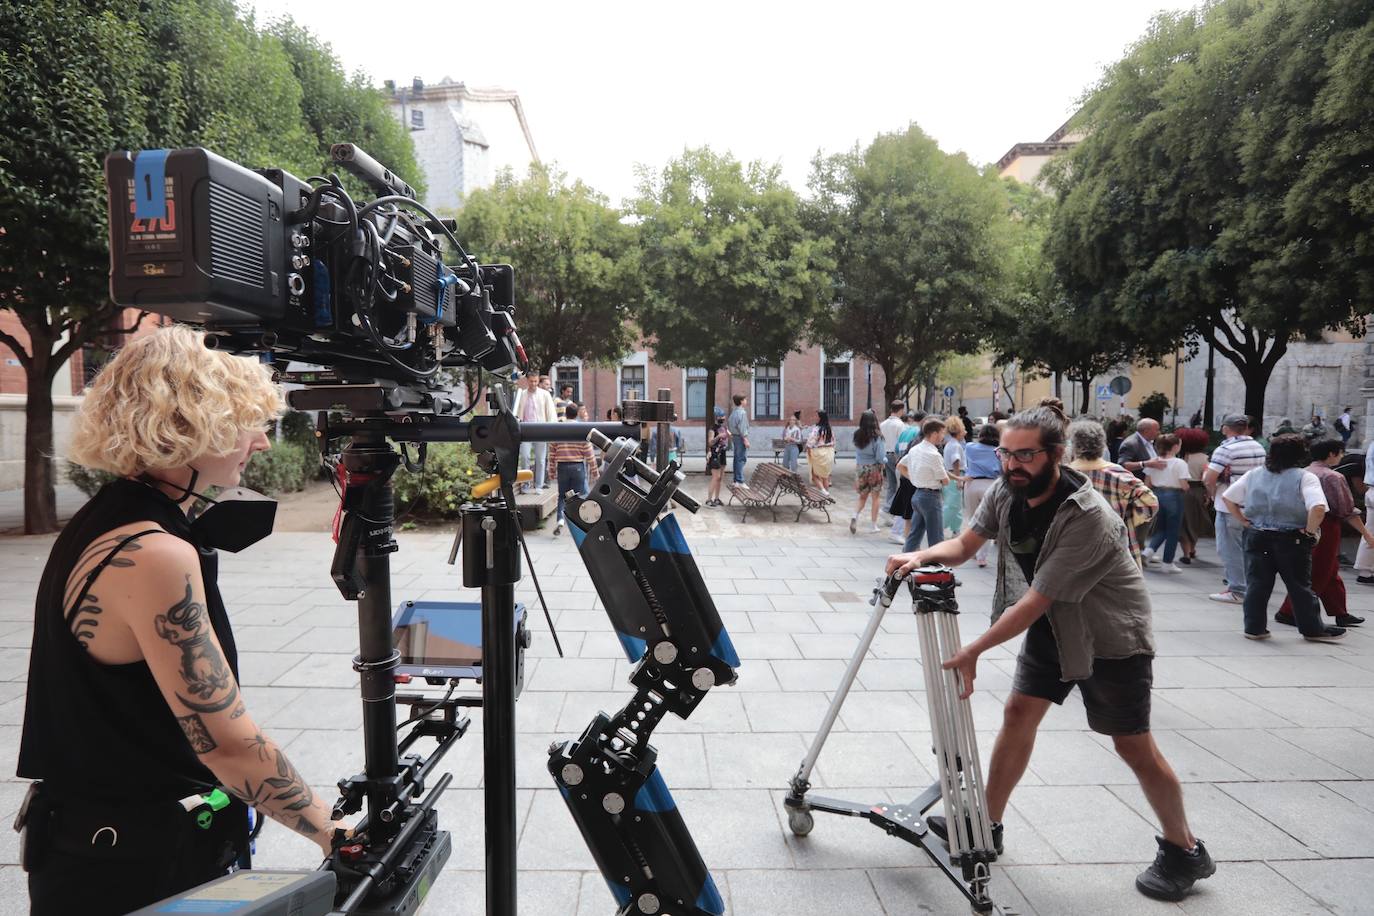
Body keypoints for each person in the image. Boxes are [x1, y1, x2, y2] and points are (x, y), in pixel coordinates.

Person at [18, 327, 350, 914]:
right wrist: (335, 833)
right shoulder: (154, 553)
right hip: (130, 871)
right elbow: (227, 742)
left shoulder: (112, 520)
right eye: (248, 422)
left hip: (98, 848)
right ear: (191, 427)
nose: (263, 443)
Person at [887, 405, 1215, 903]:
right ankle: (986, 827)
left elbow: (1036, 597)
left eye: (1025, 455)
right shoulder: (1005, 490)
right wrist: (920, 555)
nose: (1012, 464)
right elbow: (965, 543)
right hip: (1054, 625)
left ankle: (1185, 850)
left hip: (1111, 638)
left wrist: (974, 650)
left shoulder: (1087, 516)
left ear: (1056, 455)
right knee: (1018, 713)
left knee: (1133, 746)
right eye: (1005, 453)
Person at [1220, 434, 1345, 642]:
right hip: (1291, 538)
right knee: (1299, 586)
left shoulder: (1254, 474)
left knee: (1257, 584)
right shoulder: (1304, 477)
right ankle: (1312, 628)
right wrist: (1310, 530)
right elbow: (1318, 507)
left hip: (1257, 535)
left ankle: (1254, 628)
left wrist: (1243, 521)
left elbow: (1228, 498)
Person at [1272, 437, 1369, 628]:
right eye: (1340, 453)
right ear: (1332, 454)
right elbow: (1346, 510)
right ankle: (1288, 611)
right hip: (1326, 525)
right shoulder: (1333, 476)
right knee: (1319, 570)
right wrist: (1366, 533)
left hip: (1301, 522)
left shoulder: (1302, 472)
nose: (1341, 457)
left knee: (1329, 569)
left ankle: (1340, 612)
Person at [1067, 419, 1159, 569]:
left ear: (1075, 446)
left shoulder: (1063, 475)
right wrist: (1127, 519)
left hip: (1074, 551)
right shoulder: (1119, 474)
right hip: (1116, 550)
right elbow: (1151, 503)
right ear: (1102, 445)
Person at [1203, 415, 1268, 604]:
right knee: (1248, 548)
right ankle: (1249, 585)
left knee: (1229, 548)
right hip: (1253, 504)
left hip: (1229, 505)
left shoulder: (1226, 449)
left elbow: (1209, 478)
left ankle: (1237, 589)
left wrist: (1212, 494)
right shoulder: (1258, 447)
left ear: (1225, 428)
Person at [547, 403, 600, 535]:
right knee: (579, 496)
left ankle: (560, 520)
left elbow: (552, 451)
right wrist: (595, 472)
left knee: (562, 496)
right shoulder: (581, 429)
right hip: (578, 466)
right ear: (577, 414)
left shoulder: (558, 429)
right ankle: (578, 524)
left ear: (565, 413)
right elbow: (589, 453)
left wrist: (551, 470)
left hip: (562, 466)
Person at [898, 417, 949, 552]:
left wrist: (913, 477)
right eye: (942, 433)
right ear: (934, 434)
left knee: (914, 535)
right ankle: (937, 566)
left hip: (918, 494)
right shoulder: (934, 454)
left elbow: (900, 465)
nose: (943, 436)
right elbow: (945, 480)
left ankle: (903, 561)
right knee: (936, 537)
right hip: (931, 496)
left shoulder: (915, 449)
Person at [1141, 434, 1190, 572]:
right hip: (1174, 495)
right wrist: (1187, 488)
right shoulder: (1180, 463)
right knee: (1173, 530)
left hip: (1157, 494)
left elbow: (1147, 483)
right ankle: (1167, 562)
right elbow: (1184, 484)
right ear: (1175, 447)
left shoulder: (1153, 461)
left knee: (1160, 527)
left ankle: (1148, 552)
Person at [962, 423, 1001, 568]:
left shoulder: (970, 447)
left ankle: (972, 551)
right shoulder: (999, 451)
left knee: (972, 519)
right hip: (991, 484)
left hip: (972, 484)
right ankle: (982, 557)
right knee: (987, 522)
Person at [513, 375, 557, 491]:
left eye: (536, 381)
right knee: (525, 457)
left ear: (538, 381)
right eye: (531, 381)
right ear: (527, 381)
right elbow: (517, 412)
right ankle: (525, 484)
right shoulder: (522, 394)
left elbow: (550, 411)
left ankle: (539, 485)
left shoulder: (544, 394)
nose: (533, 383)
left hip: (540, 428)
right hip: (525, 429)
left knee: (541, 459)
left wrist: (550, 427)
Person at [1176, 427, 1212, 565]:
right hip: (1198, 490)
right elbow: (1206, 478)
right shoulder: (1204, 458)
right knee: (1195, 521)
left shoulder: (1180, 458)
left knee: (1184, 522)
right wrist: (1208, 494)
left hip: (1182, 490)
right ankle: (1192, 548)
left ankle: (1186, 552)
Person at [888, 413, 923, 544]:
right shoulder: (918, 434)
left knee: (903, 500)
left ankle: (898, 531)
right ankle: (898, 532)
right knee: (907, 504)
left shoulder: (905, 431)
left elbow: (897, 448)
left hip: (902, 467)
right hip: (910, 471)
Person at [850, 409, 885, 534]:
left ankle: (854, 515)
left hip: (861, 468)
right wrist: (885, 461)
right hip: (874, 468)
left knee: (862, 497)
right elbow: (880, 457)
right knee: (875, 498)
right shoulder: (877, 437)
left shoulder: (857, 434)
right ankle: (874, 525)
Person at [942, 416, 967, 537]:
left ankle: (956, 529)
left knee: (954, 504)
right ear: (959, 431)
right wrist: (959, 479)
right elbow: (955, 461)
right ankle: (940, 525)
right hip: (955, 475)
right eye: (963, 430)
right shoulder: (956, 445)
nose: (965, 432)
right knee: (953, 505)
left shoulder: (949, 444)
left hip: (949, 475)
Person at [880, 400, 907, 507]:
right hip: (896, 456)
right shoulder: (900, 425)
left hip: (885, 455)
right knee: (900, 485)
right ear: (901, 410)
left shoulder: (883, 424)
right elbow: (901, 443)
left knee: (891, 485)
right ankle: (888, 508)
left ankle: (888, 506)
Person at [806, 410, 836, 494]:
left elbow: (810, 442)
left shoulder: (816, 429)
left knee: (814, 475)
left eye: (816, 416)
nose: (814, 417)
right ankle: (826, 493)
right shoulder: (829, 428)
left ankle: (823, 491)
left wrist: (808, 450)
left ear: (820, 417)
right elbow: (834, 441)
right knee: (825, 476)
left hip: (818, 452)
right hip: (829, 452)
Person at [704, 413, 731, 508]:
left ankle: (717, 498)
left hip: (722, 453)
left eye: (723, 417)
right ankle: (709, 499)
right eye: (720, 417)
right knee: (716, 477)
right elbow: (710, 443)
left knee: (720, 478)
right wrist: (719, 436)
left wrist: (728, 435)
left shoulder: (724, 427)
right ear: (716, 418)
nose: (722, 418)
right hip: (715, 454)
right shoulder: (712, 429)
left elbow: (728, 438)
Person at [727, 394, 750, 485]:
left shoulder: (733, 412)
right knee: (741, 458)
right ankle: (740, 481)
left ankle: (736, 480)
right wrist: (745, 439)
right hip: (740, 437)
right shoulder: (742, 413)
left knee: (736, 458)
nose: (746, 401)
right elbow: (742, 428)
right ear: (741, 401)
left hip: (735, 437)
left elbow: (730, 424)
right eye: (745, 399)